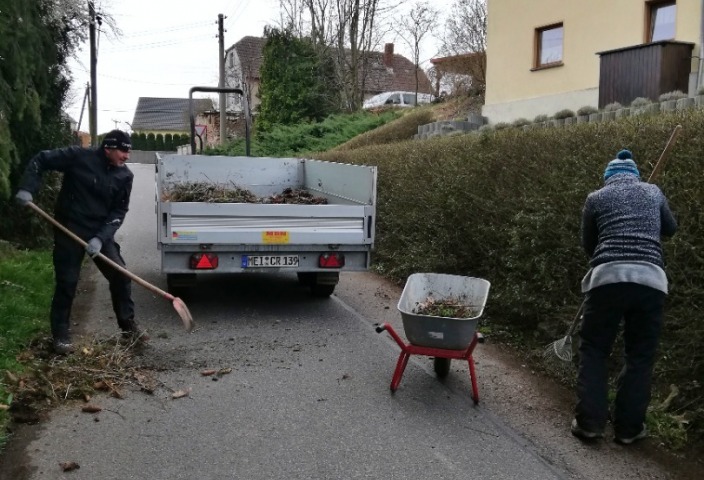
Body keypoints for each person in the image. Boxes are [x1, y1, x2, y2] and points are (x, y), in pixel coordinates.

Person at [571, 149, 677, 445]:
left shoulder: (596, 198)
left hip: (607, 279)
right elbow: (671, 229)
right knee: (640, 355)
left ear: (608, 178)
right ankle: (629, 429)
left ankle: (590, 424)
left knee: (594, 349)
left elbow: (588, 244)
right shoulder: (653, 192)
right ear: (635, 176)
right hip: (650, 282)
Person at [14, 130, 147, 354]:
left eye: (129, 151)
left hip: (99, 233)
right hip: (69, 228)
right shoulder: (78, 157)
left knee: (120, 276)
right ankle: (61, 336)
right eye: (123, 151)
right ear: (108, 148)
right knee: (67, 282)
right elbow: (41, 159)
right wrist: (27, 188)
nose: (127, 156)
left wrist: (100, 238)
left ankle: (128, 328)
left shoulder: (125, 176)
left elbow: (119, 211)